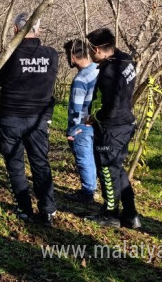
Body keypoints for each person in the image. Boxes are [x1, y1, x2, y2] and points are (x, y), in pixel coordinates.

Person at [0, 12, 59, 226]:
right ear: (38, 30)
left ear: (15, 29)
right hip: (38, 119)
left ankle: (24, 208)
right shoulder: (51, 55)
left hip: (11, 117)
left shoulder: (8, 54)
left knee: (15, 165)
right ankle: (48, 209)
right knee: (40, 163)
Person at [85, 27, 141, 229]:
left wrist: (94, 117)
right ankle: (131, 214)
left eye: (90, 49)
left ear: (98, 49)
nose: (89, 54)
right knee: (117, 169)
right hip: (125, 123)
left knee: (108, 171)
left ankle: (110, 214)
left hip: (113, 128)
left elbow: (111, 106)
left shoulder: (110, 72)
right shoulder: (125, 59)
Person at [63, 39, 99, 204]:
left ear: (73, 56)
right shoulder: (98, 70)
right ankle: (92, 189)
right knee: (92, 158)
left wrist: (73, 129)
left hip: (83, 125)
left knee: (84, 158)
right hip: (97, 122)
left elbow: (76, 109)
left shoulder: (80, 80)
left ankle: (87, 192)